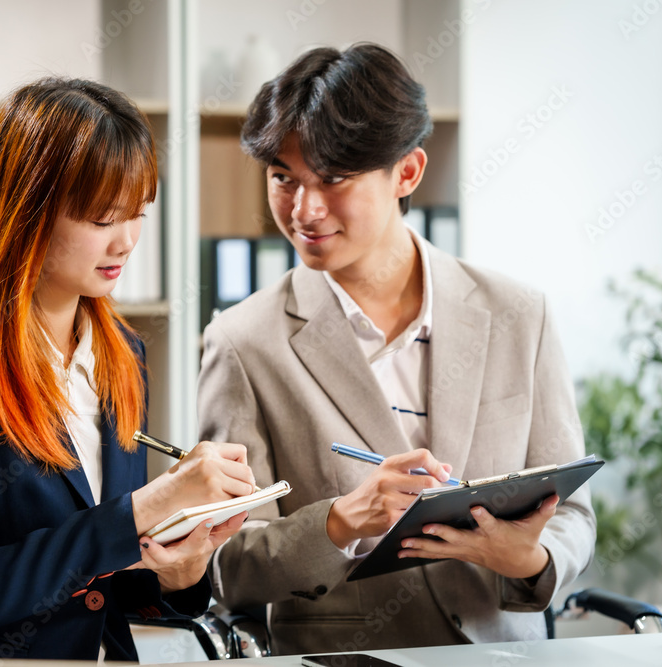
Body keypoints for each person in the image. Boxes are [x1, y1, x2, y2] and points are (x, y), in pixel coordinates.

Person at [197, 43, 596, 653]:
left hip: (506, 654)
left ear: (407, 173)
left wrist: (530, 558)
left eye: (332, 178)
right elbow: (226, 565)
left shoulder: (519, 314)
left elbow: (573, 515)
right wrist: (338, 523)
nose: (304, 209)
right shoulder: (243, 343)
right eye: (284, 178)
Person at [0, 77, 256, 665]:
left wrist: (179, 571)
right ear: (28, 209)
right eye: (104, 218)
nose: (127, 241)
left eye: (137, 214)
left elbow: (103, 585)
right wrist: (142, 512)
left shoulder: (123, 355)